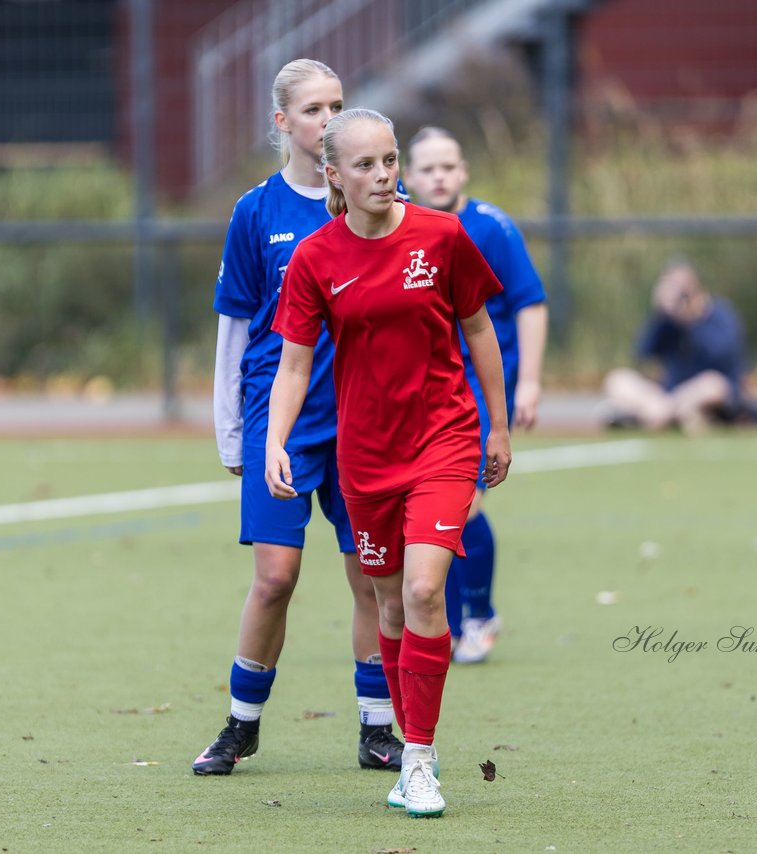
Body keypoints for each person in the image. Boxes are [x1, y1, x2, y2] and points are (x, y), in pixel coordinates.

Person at [266, 108, 512, 819]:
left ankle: (420, 759)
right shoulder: (316, 258)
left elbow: (478, 330)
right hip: (366, 457)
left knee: (427, 592)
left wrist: (498, 428)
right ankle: (409, 751)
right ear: (332, 174)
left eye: (390, 160)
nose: (383, 175)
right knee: (389, 605)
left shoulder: (441, 236)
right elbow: (293, 364)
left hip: (445, 437)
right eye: (366, 165)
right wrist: (275, 441)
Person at [197, 59, 404, 777]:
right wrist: (233, 430)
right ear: (282, 122)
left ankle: (377, 728)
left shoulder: (380, 201)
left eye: (338, 105)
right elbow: (235, 327)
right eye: (313, 109)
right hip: (277, 420)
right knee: (275, 577)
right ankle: (241, 724)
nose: (328, 119)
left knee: (372, 577)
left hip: (362, 422)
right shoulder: (257, 211)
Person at [404, 126, 547, 665]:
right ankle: (454, 614)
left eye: (448, 166)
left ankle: (479, 616)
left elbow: (530, 302)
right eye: (428, 168)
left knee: (463, 502)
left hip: (483, 393)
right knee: (435, 508)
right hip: (425, 394)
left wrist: (528, 382)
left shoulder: (491, 227)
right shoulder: (403, 228)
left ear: (462, 171)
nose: (439, 176)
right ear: (408, 178)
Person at [603, 260, 744, 434]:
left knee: (713, 384)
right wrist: (659, 314)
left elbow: (719, 352)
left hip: (705, 393)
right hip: (669, 394)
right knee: (617, 380)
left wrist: (690, 320)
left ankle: (654, 416)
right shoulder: (667, 321)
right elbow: (643, 352)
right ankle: (672, 415)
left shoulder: (720, 313)